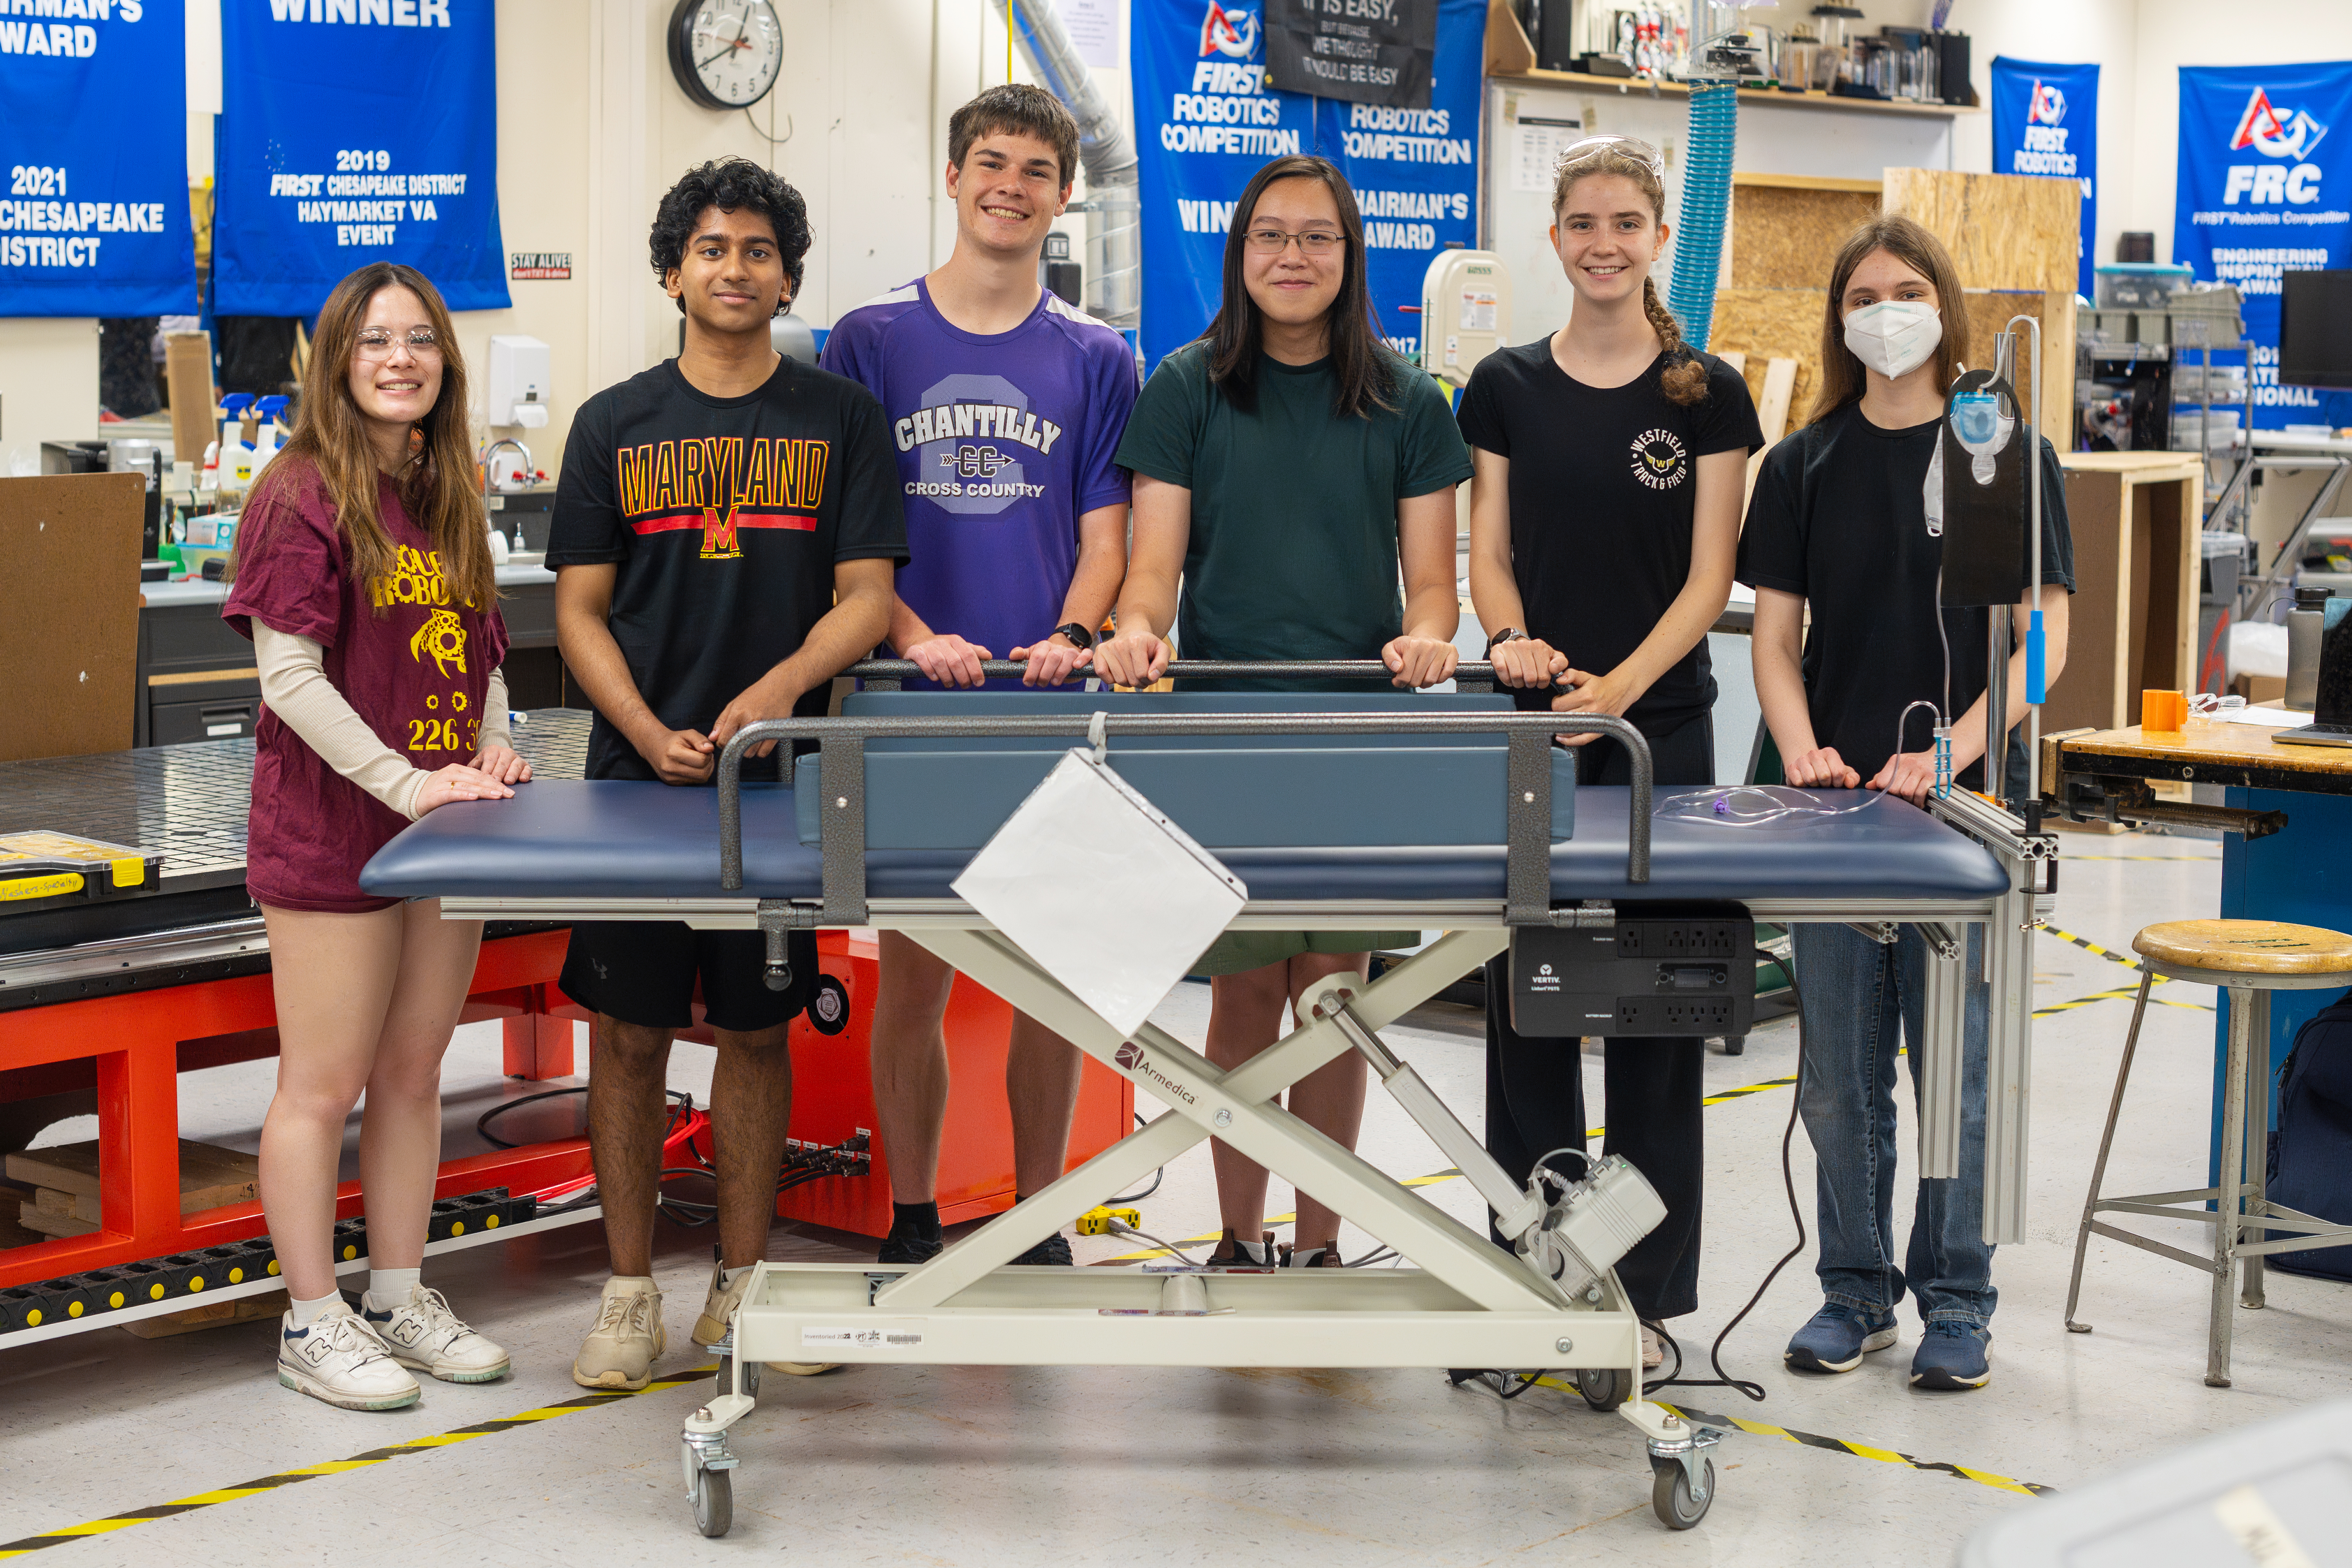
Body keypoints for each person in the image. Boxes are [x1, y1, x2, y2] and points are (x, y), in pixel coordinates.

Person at [548, 158, 906, 1390]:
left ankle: (743, 1290)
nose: (735, 267)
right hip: (636, 784)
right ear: (672, 272)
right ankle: (629, 1292)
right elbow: (579, 609)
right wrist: (648, 727)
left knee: (755, 1034)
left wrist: (772, 698)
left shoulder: (840, 420)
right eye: (711, 248)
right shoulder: (611, 424)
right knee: (630, 1031)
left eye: (757, 249)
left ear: (787, 276)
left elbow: (867, 598)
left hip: (778, 780)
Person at [1094, 154, 1468, 1269]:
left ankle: (1317, 1241)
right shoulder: (1185, 385)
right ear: (1239, 251)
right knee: (1246, 993)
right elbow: (1152, 570)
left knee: (1336, 999)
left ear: (1349, 257)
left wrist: (1428, 636)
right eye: (1270, 236)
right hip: (1225, 731)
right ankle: (1239, 1238)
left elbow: (1434, 584)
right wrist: (1138, 628)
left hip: (1352, 733)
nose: (1292, 257)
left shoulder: (1408, 399)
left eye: (1316, 238)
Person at [1739, 213, 2074, 1392]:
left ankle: (1958, 1297)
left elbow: (2039, 641)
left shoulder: (2004, 456)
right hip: (1835, 816)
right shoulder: (1800, 465)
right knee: (1836, 1071)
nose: (1884, 309)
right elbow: (1773, 644)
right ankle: (1851, 1289)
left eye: (1904, 287)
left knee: (1960, 1068)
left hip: (1959, 823)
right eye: (1862, 293)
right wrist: (1804, 752)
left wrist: (1955, 754)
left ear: (1944, 306)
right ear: (1838, 320)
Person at [820, 85, 1137, 1269]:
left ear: (1063, 194)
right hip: (908, 709)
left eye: (1035, 169)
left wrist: (1073, 628)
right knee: (914, 976)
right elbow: (843, 538)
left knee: (1048, 981)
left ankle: (1039, 1215)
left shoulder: (1098, 355)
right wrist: (905, 636)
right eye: (989, 162)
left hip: (1051, 704)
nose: (1009, 184)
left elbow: (1106, 530)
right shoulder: (869, 342)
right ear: (951, 178)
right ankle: (911, 1215)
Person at [1457, 135, 1762, 1365]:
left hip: (1660, 736)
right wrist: (1515, 641)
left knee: (1652, 1009)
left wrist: (1617, 695)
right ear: (1553, 236)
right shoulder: (1503, 387)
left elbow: (1707, 579)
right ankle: (1536, 1278)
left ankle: (1639, 1303)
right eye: (1579, 220)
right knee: (1525, 1004)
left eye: (1623, 221)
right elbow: (1487, 550)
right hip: (1529, 726)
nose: (1600, 242)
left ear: (1654, 237)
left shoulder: (1706, 395)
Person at [224, 261, 526, 1410]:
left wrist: (489, 750)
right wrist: (406, 783)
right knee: (323, 1082)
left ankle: (398, 1292)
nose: (400, 359)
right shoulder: (299, 491)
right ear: (336, 363)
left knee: (411, 1073)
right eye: (374, 341)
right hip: (338, 829)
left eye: (420, 340)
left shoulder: (448, 492)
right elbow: (288, 677)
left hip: (443, 827)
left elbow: (480, 652)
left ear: (444, 361)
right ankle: (312, 1318)